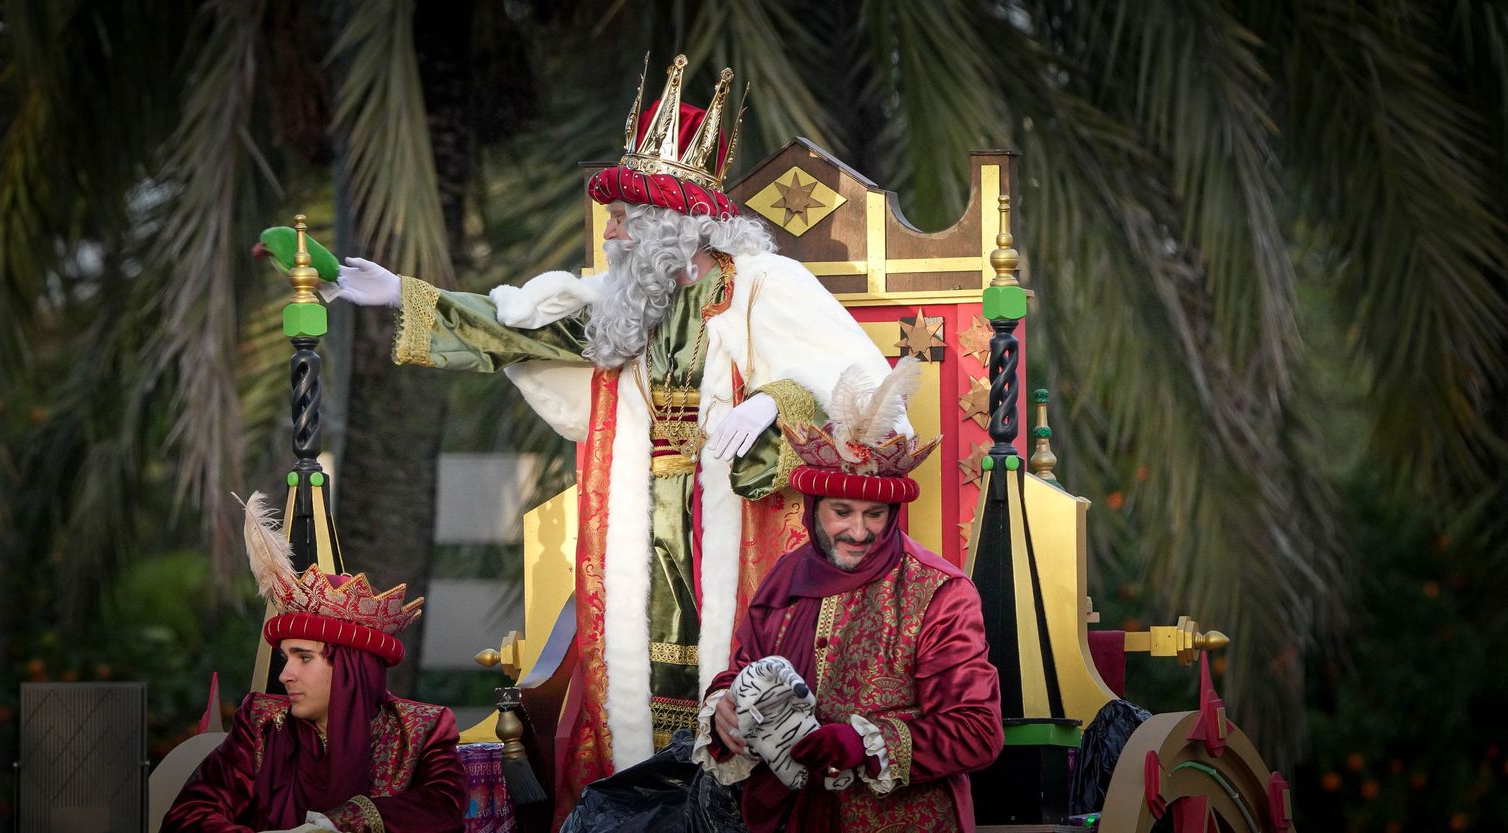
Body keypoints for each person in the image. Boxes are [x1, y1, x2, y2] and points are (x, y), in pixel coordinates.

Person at [321, 51, 893, 804]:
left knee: (733, 671)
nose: (614, 231)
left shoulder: (766, 285)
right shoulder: (626, 303)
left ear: (672, 225)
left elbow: (859, 387)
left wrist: (771, 401)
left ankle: (732, 806)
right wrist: (402, 293)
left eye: (626, 217)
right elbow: (520, 329)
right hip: (640, 518)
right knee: (638, 681)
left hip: (740, 516)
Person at [693, 359, 1004, 832]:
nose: (857, 531)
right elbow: (743, 670)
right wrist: (725, 711)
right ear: (815, 510)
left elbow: (977, 732)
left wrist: (868, 743)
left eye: (874, 514)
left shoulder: (939, 592)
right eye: (841, 512)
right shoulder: (785, 577)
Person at [162, 494, 466, 833]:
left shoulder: (420, 730)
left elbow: (444, 807)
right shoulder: (261, 723)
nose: (286, 675)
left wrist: (334, 827)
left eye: (304, 658)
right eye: (286, 657)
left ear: (352, 668)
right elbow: (187, 815)